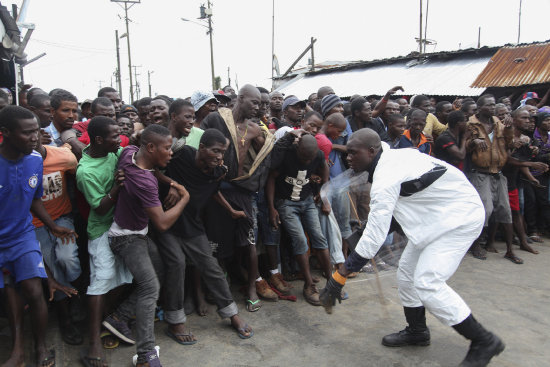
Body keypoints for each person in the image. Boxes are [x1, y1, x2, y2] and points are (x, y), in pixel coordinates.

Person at [320, 128, 505, 367]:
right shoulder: (385, 157)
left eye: (353, 153)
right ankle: (418, 331)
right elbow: (390, 217)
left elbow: (376, 234)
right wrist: (360, 237)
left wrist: (340, 275)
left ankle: (484, 341)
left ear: (371, 151)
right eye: (347, 153)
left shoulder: (386, 176)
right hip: (435, 219)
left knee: (428, 282)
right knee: (406, 274)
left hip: (458, 218)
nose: (348, 158)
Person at [159, 128, 254, 342]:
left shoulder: (216, 171)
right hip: (167, 223)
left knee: (211, 267)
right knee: (176, 264)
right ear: (201, 148)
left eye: (223, 152)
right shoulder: (181, 155)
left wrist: (230, 210)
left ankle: (232, 314)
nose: (220, 156)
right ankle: (175, 322)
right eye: (215, 151)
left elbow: (212, 190)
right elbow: (153, 168)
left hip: (192, 225)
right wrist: (172, 184)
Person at [108, 124, 189, 366]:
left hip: (138, 234)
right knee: (150, 287)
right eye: (167, 148)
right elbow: (162, 223)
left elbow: (149, 166)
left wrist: (170, 181)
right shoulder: (144, 181)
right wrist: (184, 197)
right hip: (126, 238)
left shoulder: (129, 153)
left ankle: (118, 317)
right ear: (151, 147)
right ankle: (145, 355)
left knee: (161, 269)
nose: (171, 152)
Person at [1, 106, 76, 367]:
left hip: (22, 236)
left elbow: (34, 200)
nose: (34, 137)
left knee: (34, 290)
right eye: (27, 133)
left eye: (36, 131)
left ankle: (41, 346)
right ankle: (18, 350)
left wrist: (52, 226)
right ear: (6, 133)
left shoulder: (34, 160)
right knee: (10, 293)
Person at [201, 84, 277, 309]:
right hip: (217, 188)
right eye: (254, 102)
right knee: (218, 240)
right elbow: (199, 140)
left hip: (242, 190)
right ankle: (221, 286)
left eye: (260, 104)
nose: (258, 107)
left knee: (249, 242)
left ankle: (252, 287)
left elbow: (264, 156)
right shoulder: (217, 120)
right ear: (240, 98)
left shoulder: (254, 129)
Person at [76, 116, 134, 366]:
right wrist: (116, 188)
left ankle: (107, 319)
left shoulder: (114, 151)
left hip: (123, 226)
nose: (118, 140)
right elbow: (99, 208)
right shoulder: (85, 171)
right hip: (102, 231)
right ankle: (93, 341)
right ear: (99, 140)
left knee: (123, 277)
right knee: (100, 282)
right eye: (113, 136)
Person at [464, 94, 542, 263]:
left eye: (493, 105)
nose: (492, 108)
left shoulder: (498, 124)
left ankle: (509, 250)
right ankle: (476, 244)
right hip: (480, 172)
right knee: (485, 211)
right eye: (489, 105)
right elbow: (465, 147)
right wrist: (474, 142)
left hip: (498, 173)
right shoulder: (471, 124)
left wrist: (508, 130)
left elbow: (509, 144)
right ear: (480, 108)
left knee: (506, 211)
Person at [267, 132, 332, 306]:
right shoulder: (287, 154)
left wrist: (323, 194)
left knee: (319, 238)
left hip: (307, 200)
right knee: (300, 240)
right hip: (286, 203)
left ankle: (333, 283)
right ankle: (309, 285)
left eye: (310, 159)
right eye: (304, 157)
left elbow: (325, 168)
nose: (307, 162)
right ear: (297, 148)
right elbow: (271, 178)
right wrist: (272, 207)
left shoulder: (317, 155)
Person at [32, 132, 83, 346]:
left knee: (67, 259)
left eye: (34, 133)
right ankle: (65, 319)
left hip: (62, 217)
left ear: (41, 136)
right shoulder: (20, 163)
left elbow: (77, 173)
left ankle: (77, 296)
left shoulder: (62, 156)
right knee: (52, 267)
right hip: (35, 224)